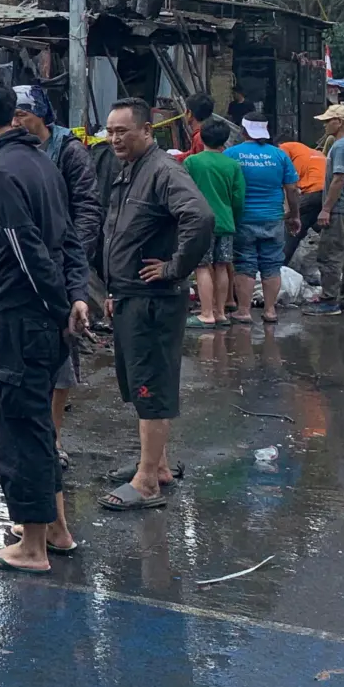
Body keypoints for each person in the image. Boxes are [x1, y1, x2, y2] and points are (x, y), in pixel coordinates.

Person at [0, 75, 88, 573]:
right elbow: (69, 239)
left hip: (24, 314)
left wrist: (59, 306)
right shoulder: (40, 160)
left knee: (20, 428)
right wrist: (75, 298)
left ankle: (31, 547)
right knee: (36, 424)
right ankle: (55, 529)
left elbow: (26, 249)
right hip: (47, 314)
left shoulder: (1, 173)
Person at [100, 98, 214, 511]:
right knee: (138, 383)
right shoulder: (130, 170)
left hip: (153, 301)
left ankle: (147, 481)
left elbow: (199, 218)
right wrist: (115, 290)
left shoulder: (164, 170)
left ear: (148, 131)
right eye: (110, 131)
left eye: (122, 131)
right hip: (131, 296)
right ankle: (158, 465)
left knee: (151, 385)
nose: (114, 139)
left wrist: (173, 268)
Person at [13, 84, 101, 466]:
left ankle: (54, 438)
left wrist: (72, 258)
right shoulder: (12, 152)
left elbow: (86, 207)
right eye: (12, 115)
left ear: (42, 115)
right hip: (26, 267)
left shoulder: (69, 151)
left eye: (22, 114)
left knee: (63, 351)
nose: (16, 122)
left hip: (62, 263)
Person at [226, 114, 301, 324]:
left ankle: (244, 311)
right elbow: (293, 189)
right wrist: (294, 215)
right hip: (273, 218)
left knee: (245, 264)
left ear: (243, 131)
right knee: (272, 265)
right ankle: (270, 311)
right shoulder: (279, 155)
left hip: (243, 219)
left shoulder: (231, 154)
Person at [184, 119, 244, 328]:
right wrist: (231, 215)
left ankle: (206, 313)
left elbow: (185, 193)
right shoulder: (232, 165)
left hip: (200, 222)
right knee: (221, 265)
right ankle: (220, 313)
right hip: (226, 221)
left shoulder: (193, 162)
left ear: (202, 137)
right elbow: (238, 198)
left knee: (202, 267)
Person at [308, 104, 344, 316]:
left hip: (340, 210)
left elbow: (339, 179)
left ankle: (329, 301)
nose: (325, 125)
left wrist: (326, 209)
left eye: (328, 121)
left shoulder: (340, 147)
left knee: (329, 256)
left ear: (339, 122)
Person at [282, 140, 327, 259]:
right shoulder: (312, 152)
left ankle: (280, 265)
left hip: (312, 192)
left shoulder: (282, 148)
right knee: (317, 224)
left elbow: (290, 187)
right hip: (327, 193)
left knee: (293, 228)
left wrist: (289, 212)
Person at [181, 93, 215, 158]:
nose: (184, 114)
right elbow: (191, 154)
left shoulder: (199, 137)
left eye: (185, 111)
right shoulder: (208, 132)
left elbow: (199, 160)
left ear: (189, 113)